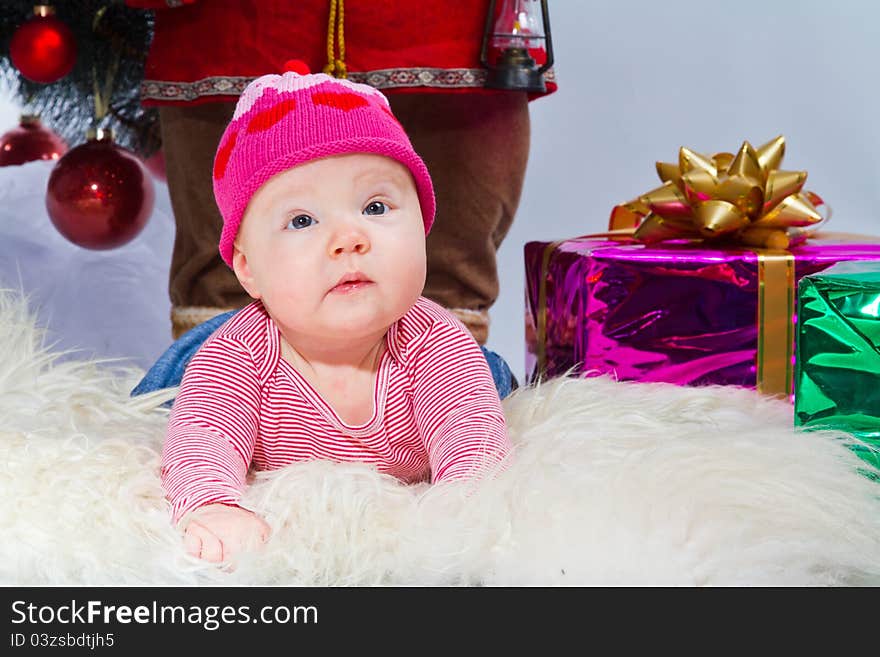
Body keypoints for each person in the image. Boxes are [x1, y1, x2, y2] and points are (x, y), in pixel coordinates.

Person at [162, 67, 512, 563]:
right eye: (302, 220)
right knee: (170, 406)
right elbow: (203, 437)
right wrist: (212, 504)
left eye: (375, 207)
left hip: (459, 365)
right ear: (248, 269)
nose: (349, 238)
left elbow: (472, 443)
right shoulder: (236, 355)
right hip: (218, 354)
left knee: (494, 382)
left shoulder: (436, 344)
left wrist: (460, 505)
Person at [126, 0, 555, 347]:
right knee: (224, 285)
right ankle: (220, 400)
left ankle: (443, 396)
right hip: (237, 25)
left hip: (447, 32)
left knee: (447, 281)